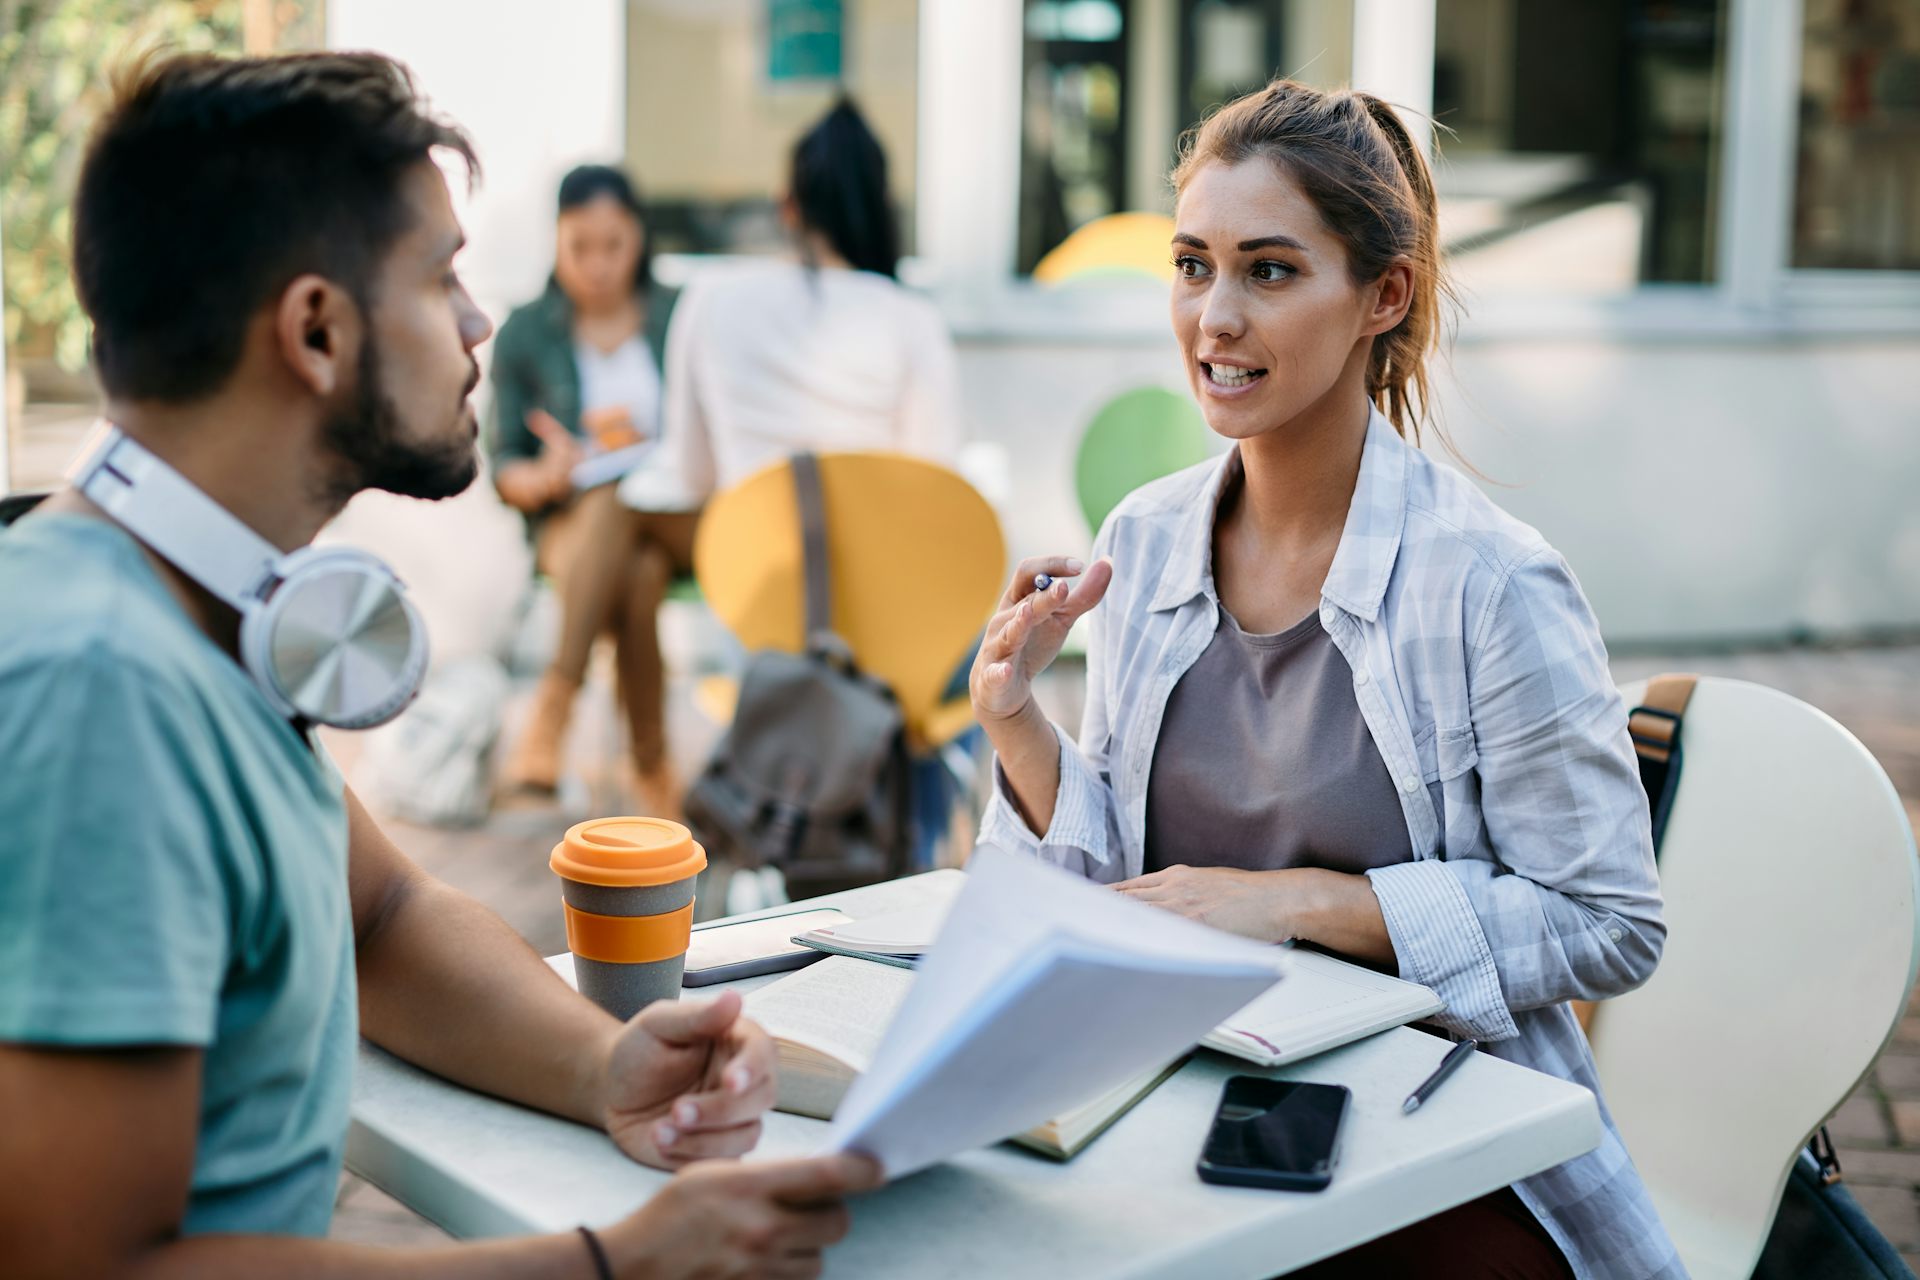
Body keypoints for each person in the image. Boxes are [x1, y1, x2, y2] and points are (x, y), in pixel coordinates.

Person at [0, 52, 877, 1278]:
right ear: (316, 328)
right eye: (442, 274)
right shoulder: (100, 686)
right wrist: (611, 1262)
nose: (477, 323)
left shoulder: (202, 606)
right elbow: (95, 1265)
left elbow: (383, 912)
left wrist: (603, 1063)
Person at [969, 80, 1682, 1279]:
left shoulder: (1491, 582)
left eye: (1271, 270)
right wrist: (1017, 723)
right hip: (1186, 1108)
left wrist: (1304, 898)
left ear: (1382, 296)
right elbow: (1127, 890)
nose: (1215, 317)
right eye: (1192, 266)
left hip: (1443, 1148)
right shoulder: (1142, 539)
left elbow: (1611, 922)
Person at [618, 95, 962, 514]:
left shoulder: (708, 299)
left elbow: (692, 477)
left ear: (787, 205)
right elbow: (933, 479)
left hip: (746, 570)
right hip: (880, 574)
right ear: (884, 205)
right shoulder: (912, 319)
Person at [490, 165, 696, 811]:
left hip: (677, 513)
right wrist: (540, 476)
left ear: (639, 240)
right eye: (580, 247)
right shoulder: (525, 331)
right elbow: (504, 465)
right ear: (555, 241)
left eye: (614, 245)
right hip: (571, 522)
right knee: (635, 573)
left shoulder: (681, 317)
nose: (598, 265)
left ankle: (553, 709)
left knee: (627, 495)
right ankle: (653, 771)